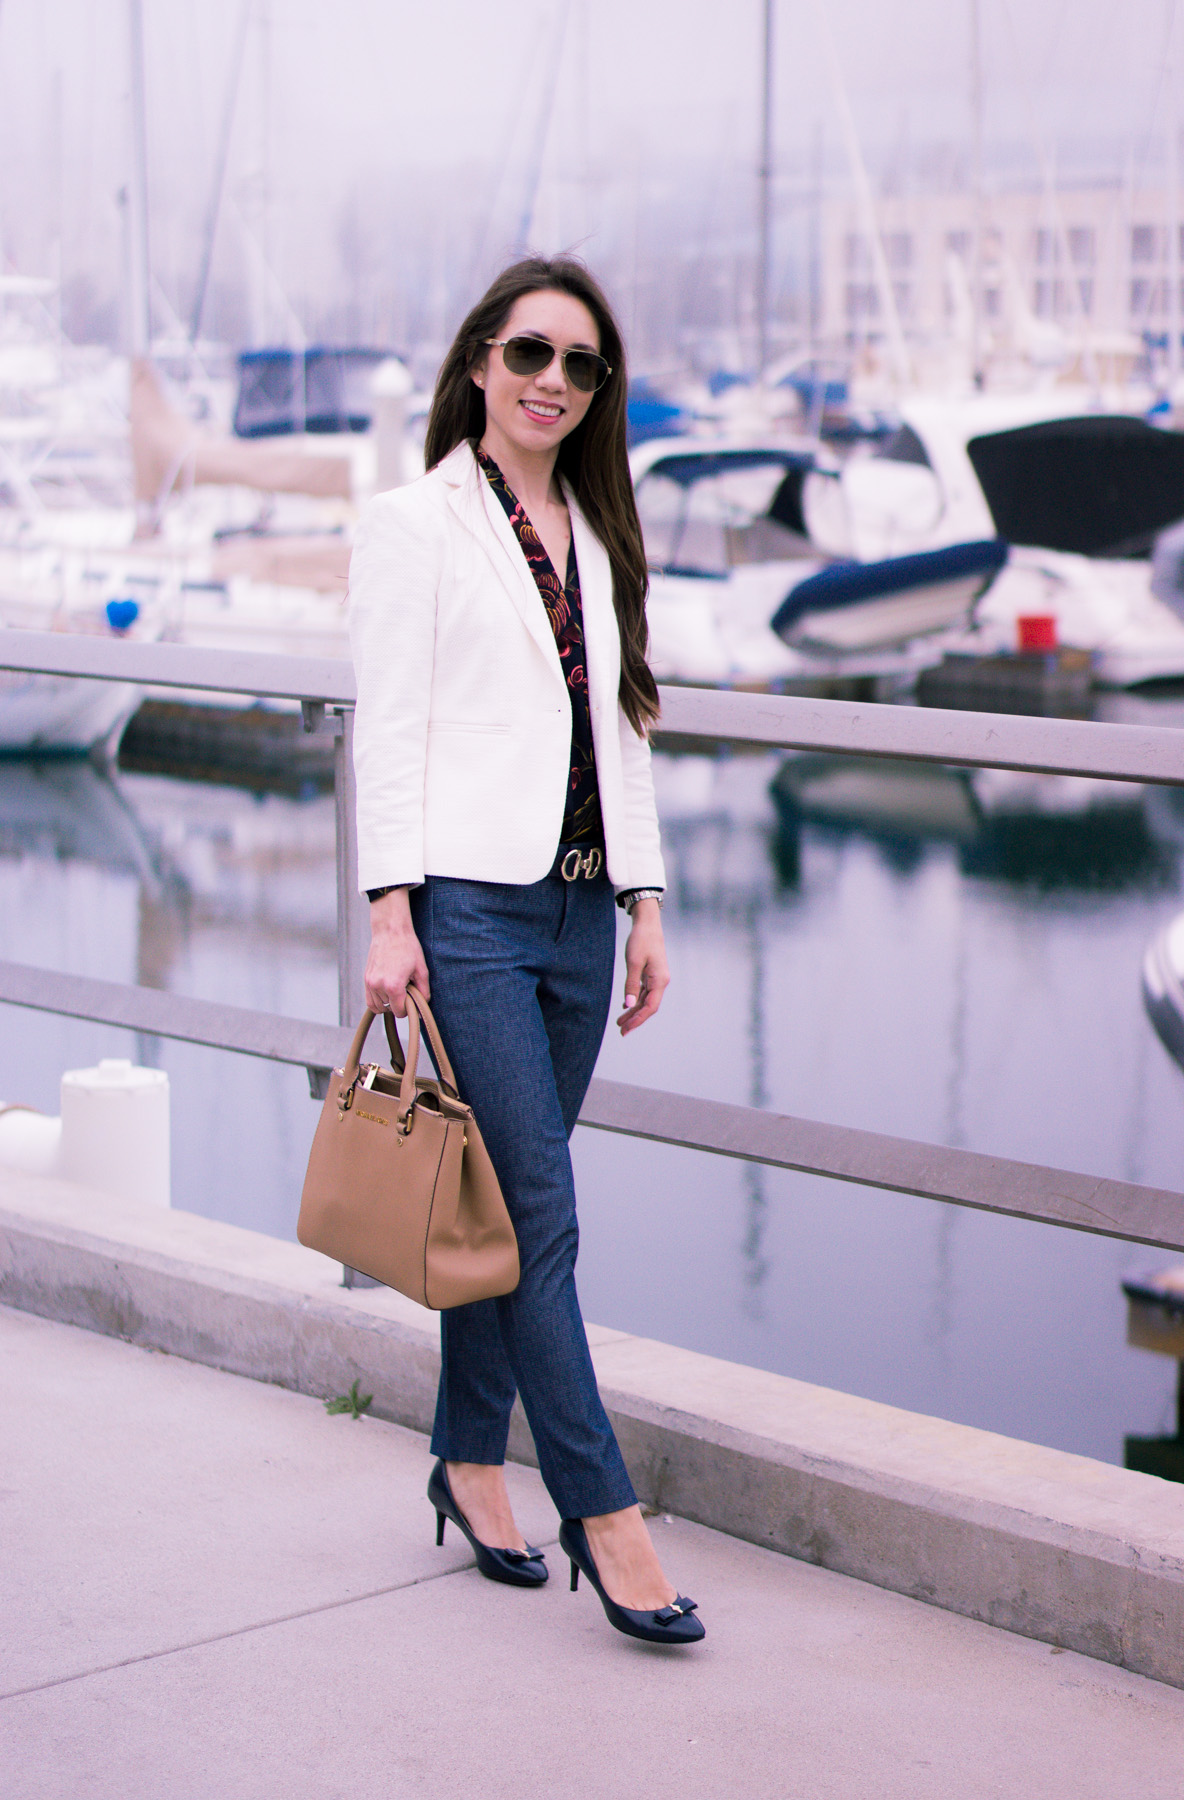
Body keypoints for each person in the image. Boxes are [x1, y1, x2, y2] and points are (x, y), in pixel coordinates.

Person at [347, 256, 703, 1646]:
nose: (554, 381)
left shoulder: (599, 530)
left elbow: (624, 727)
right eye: (532, 354)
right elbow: (393, 724)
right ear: (483, 361)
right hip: (474, 921)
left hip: (577, 914)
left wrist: (646, 903)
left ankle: (466, 1455)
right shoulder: (416, 522)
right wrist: (391, 915)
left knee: (496, 1217)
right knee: (543, 1224)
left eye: (583, 365)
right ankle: (603, 1516)